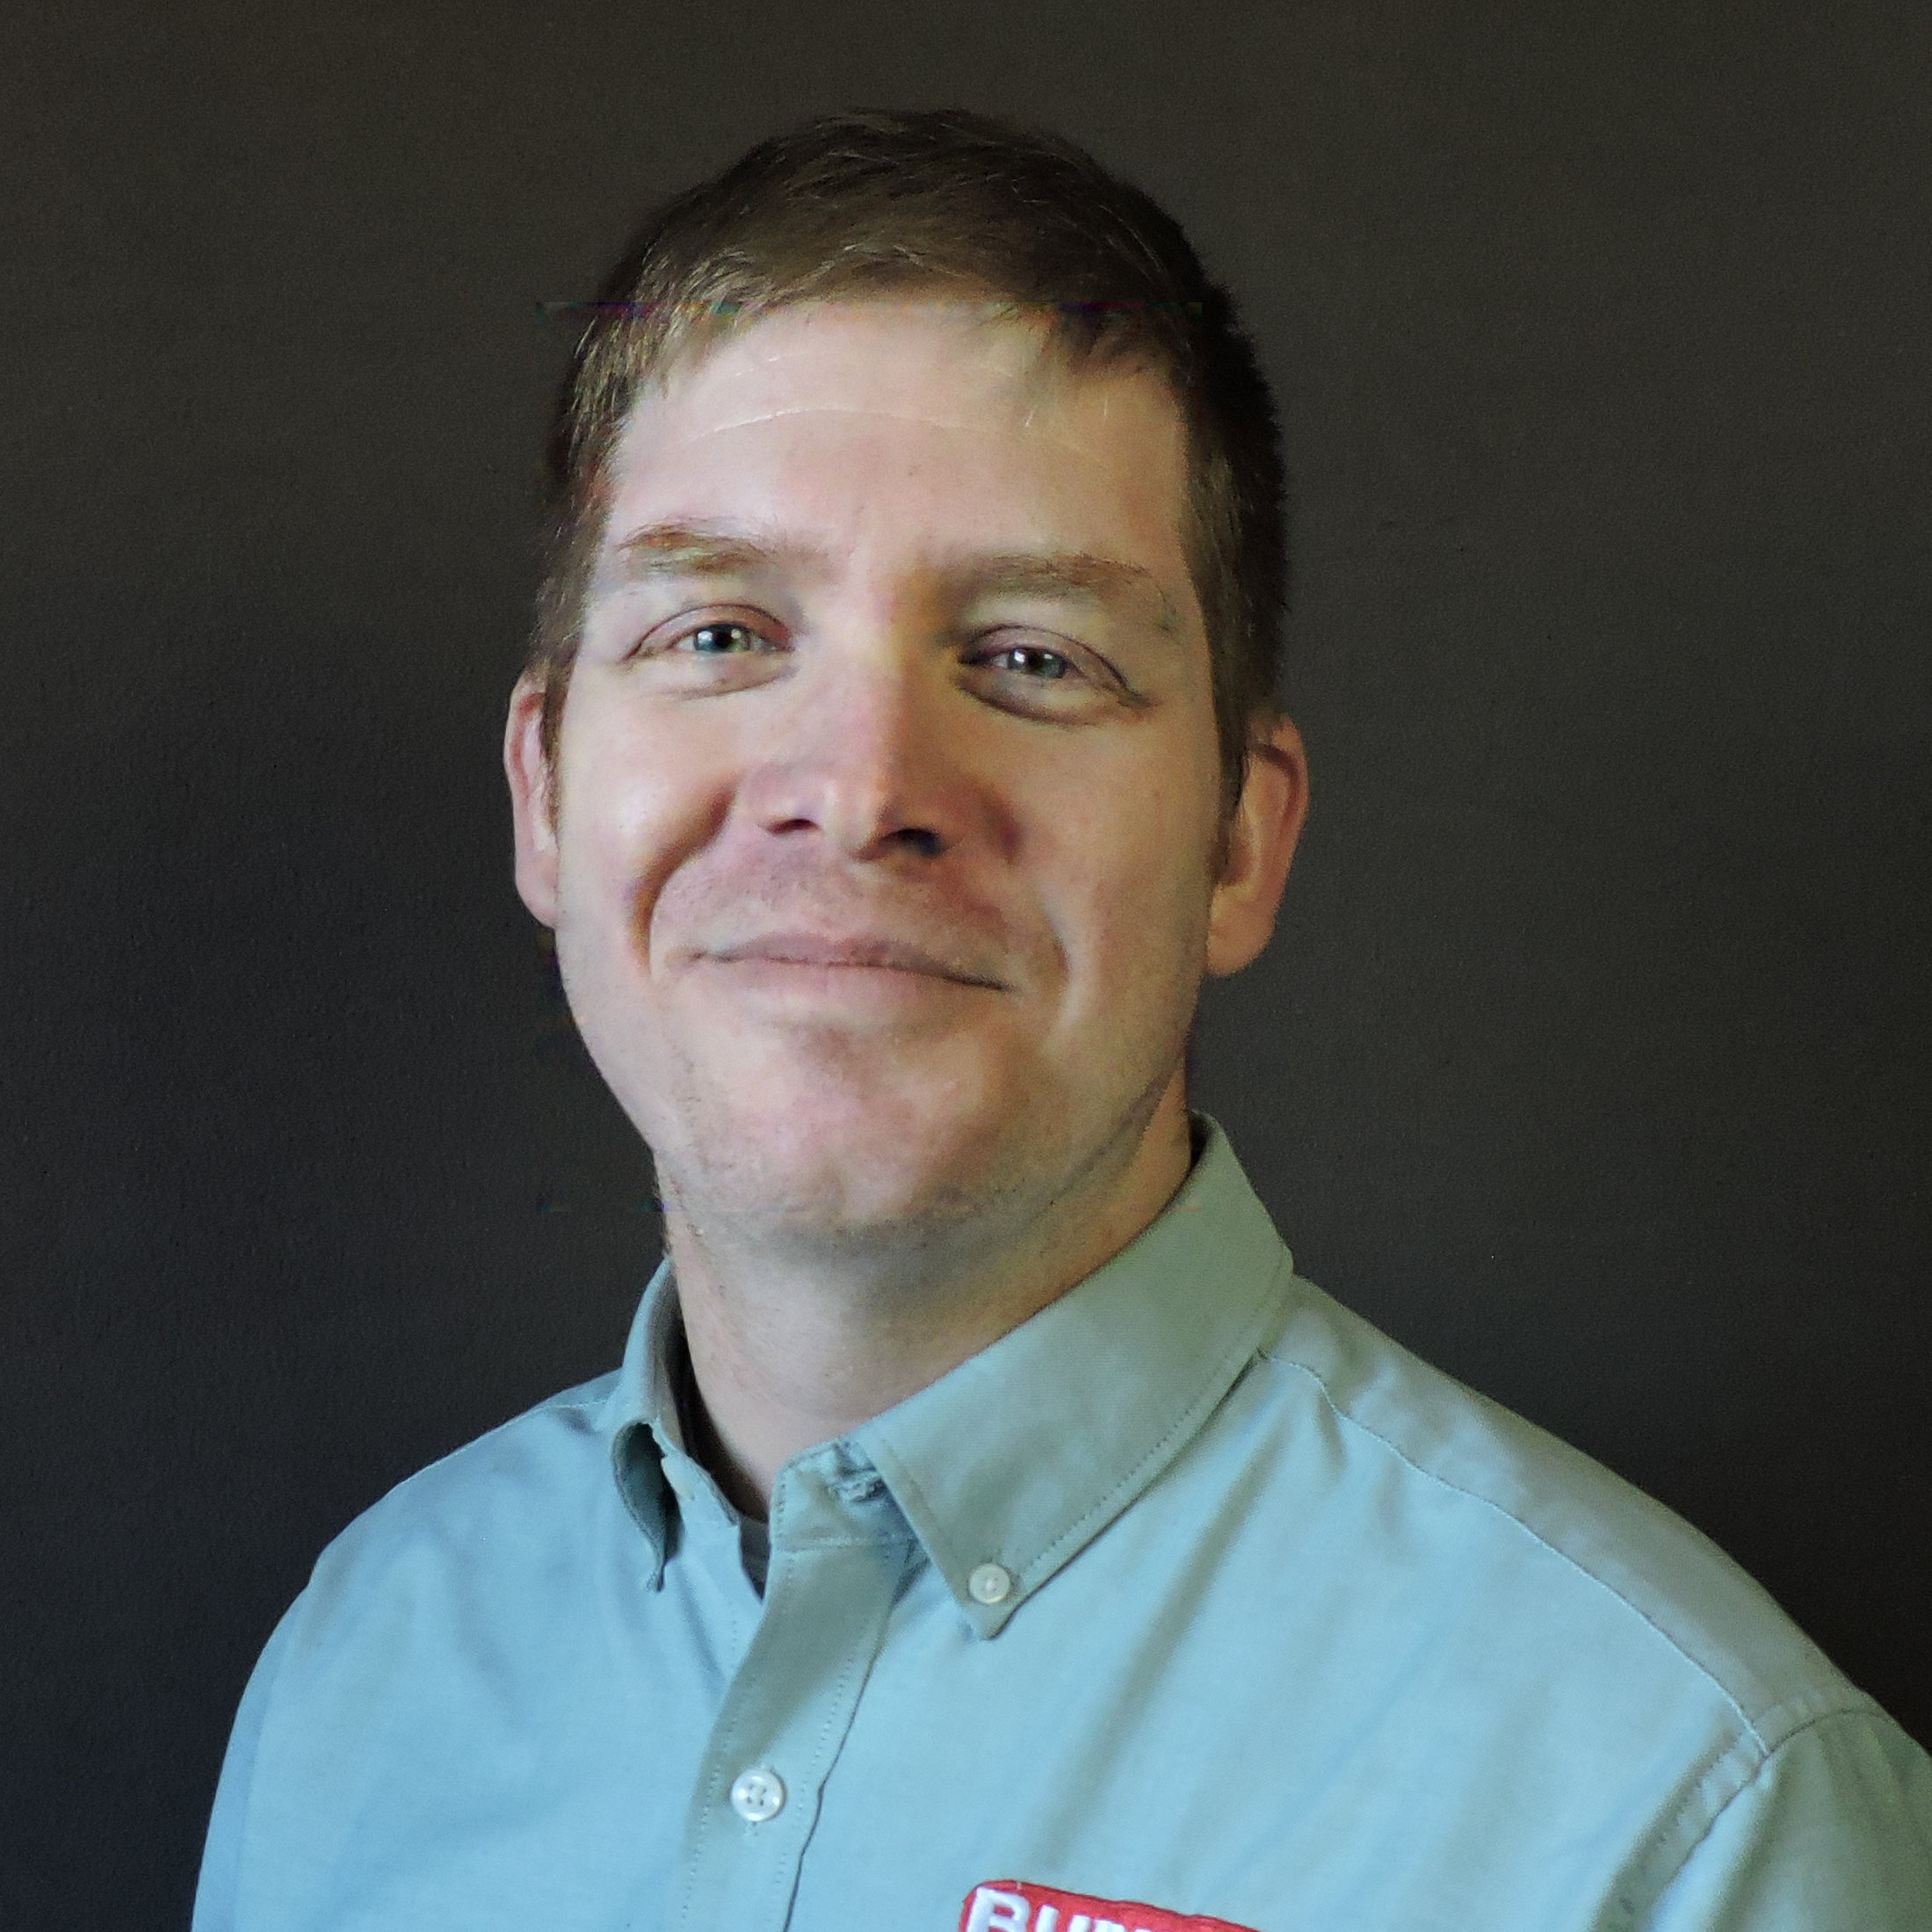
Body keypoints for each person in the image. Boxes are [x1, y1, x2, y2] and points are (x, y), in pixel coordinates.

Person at [193, 109, 1931, 1932]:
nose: (859, 786)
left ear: (1240, 845)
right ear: (547, 794)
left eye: (1032, 656)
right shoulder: (365, 1667)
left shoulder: (1684, 1806)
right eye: (717, 633)